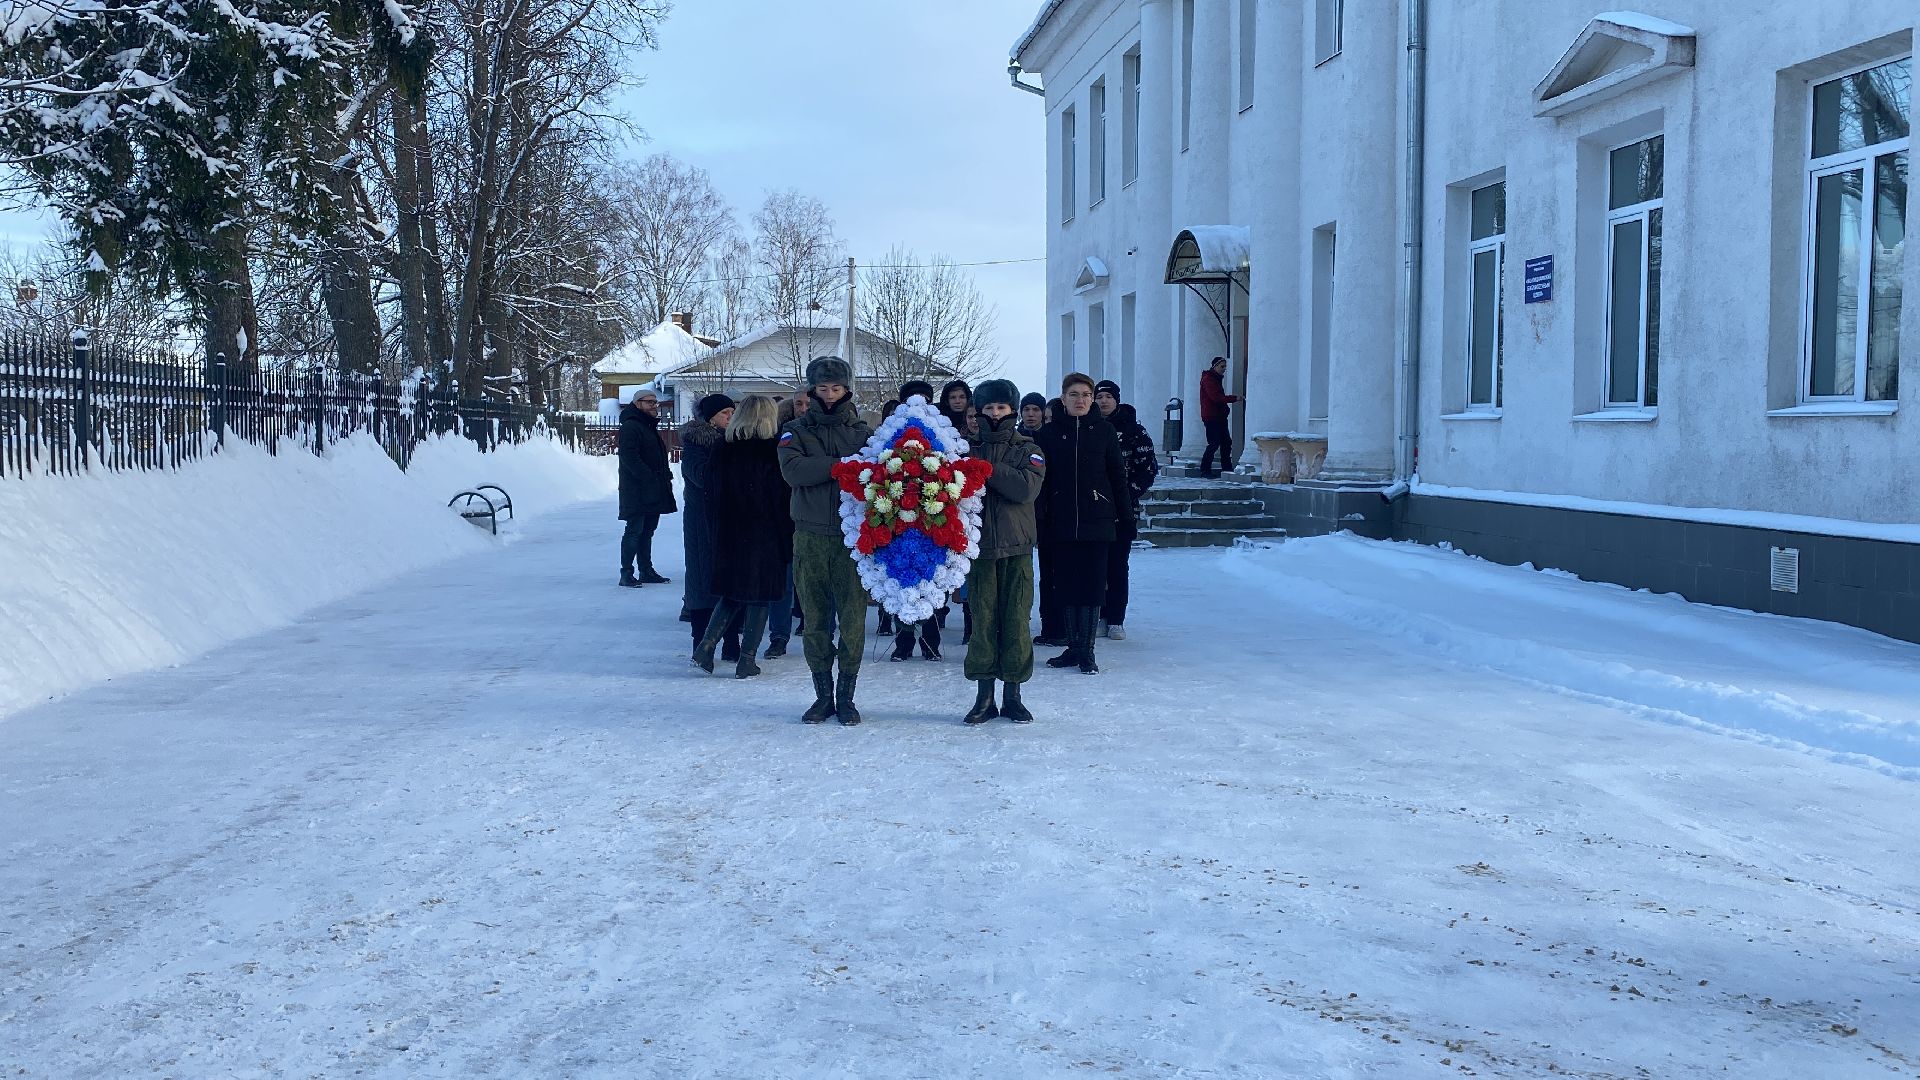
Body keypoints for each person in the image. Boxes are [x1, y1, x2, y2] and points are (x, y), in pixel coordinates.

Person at [779, 356, 874, 724]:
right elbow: (793, 471)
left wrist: (838, 463)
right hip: (811, 536)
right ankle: (822, 695)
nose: (830, 395)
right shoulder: (795, 430)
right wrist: (840, 465)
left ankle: (847, 696)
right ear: (812, 390)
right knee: (815, 621)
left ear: (847, 389)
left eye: (836, 388)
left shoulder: (864, 434)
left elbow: (877, 472)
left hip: (853, 538)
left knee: (852, 620)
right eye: (823, 388)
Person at [1033, 373, 1130, 675]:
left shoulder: (1104, 431)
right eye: (1074, 394)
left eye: (1086, 394)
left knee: (1091, 587)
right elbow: (1039, 481)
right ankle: (1072, 647)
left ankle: (1087, 650)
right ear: (1063, 399)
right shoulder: (1047, 435)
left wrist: (1125, 517)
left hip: (1097, 521)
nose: (1080, 400)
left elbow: (1117, 477)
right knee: (1065, 585)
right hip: (1059, 522)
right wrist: (1039, 518)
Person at [961, 379, 1045, 724]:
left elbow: (1024, 489)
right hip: (978, 549)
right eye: (989, 408)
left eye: (1002, 408)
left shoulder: (1029, 449)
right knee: (982, 622)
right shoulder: (962, 449)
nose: (995, 414)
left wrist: (986, 468)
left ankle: (1013, 693)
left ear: (1012, 410)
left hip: (1016, 547)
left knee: (1016, 622)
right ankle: (984, 696)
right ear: (978, 411)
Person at [692, 396, 792, 679]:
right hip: (765, 533)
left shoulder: (723, 447)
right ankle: (747, 659)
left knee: (732, 593)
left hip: (729, 531)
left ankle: (706, 646)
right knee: (761, 597)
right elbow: (781, 497)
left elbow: (710, 492)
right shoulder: (772, 450)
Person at [1094, 380, 1158, 640]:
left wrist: (1125, 494)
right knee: (1096, 564)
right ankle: (1098, 613)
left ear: (1117, 400)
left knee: (1118, 564)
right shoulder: (1090, 428)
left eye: (1109, 396)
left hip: (1123, 509)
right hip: (1094, 509)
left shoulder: (1135, 431)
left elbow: (1148, 469)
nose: (1104, 401)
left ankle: (1116, 618)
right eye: (1100, 397)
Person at [679, 393, 740, 657]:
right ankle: (700, 642)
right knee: (702, 580)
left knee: (731, 580)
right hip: (702, 523)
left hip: (730, 520)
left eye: (732, 412)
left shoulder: (735, 441)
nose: (730, 417)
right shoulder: (696, 443)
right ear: (711, 417)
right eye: (725, 413)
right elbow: (702, 477)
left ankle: (730, 642)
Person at [617, 386, 676, 586]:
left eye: (655, 402)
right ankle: (626, 573)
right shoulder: (631, 426)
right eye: (649, 402)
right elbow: (629, 457)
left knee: (648, 531)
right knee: (634, 530)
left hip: (652, 488)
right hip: (636, 489)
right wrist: (648, 477)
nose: (654, 406)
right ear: (637, 404)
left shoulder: (647, 426)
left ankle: (646, 570)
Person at [1033, 397, 1071, 647]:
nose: (1045, 424)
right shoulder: (1039, 443)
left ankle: (1063, 628)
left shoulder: (1061, 443)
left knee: (1061, 576)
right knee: (1047, 577)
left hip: (1063, 517)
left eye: (1049, 419)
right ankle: (1050, 626)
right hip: (1045, 517)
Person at [1198, 355, 1241, 479]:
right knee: (1214, 443)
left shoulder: (1215, 379)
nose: (1224, 369)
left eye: (1225, 366)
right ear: (1215, 366)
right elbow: (1216, 398)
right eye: (1222, 366)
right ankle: (1205, 470)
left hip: (1219, 417)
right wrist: (1234, 398)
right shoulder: (1208, 379)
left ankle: (1226, 468)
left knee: (1226, 442)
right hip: (1211, 417)